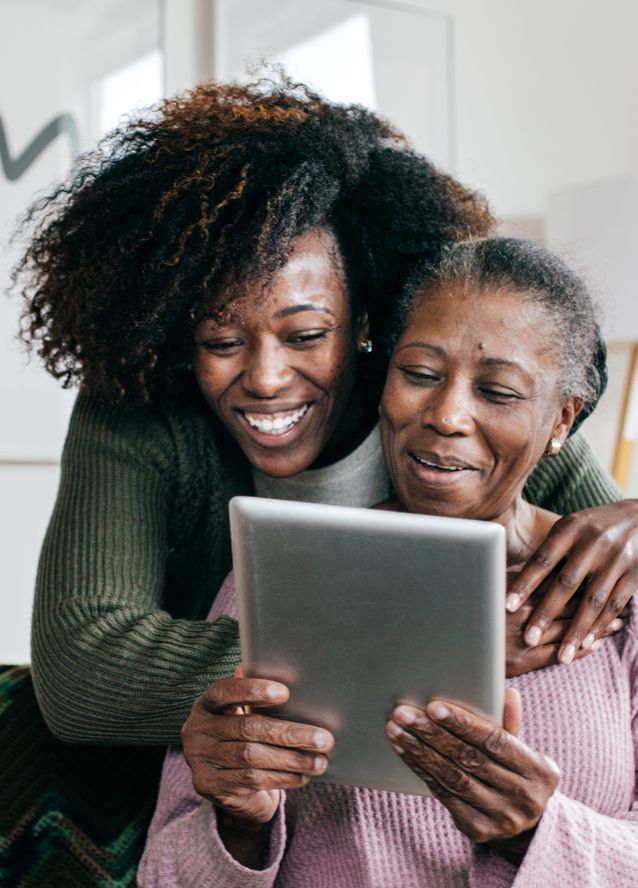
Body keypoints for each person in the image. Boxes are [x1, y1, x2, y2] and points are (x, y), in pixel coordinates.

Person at [13, 79, 638, 750]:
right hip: (224, 784)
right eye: (221, 342)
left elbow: (601, 565)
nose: (267, 377)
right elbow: (84, 674)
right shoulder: (142, 407)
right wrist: (427, 641)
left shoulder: (452, 401)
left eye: (307, 335)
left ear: (365, 322)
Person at [138, 238, 638, 888]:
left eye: (496, 391)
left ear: (562, 419)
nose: (446, 414)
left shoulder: (623, 597)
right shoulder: (281, 571)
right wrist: (236, 820)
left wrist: (536, 830)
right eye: (420, 373)